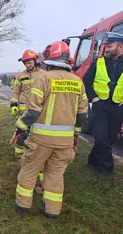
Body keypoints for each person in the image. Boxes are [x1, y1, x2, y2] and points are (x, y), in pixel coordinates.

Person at [13, 41, 88, 218]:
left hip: (41, 140)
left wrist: (19, 128)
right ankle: (51, 210)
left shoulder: (44, 79)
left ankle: (22, 205)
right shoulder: (78, 82)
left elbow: (32, 112)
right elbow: (83, 115)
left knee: (30, 169)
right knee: (55, 174)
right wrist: (75, 134)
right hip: (65, 142)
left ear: (49, 59)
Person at [83, 32, 123, 178]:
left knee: (109, 138)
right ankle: (106, 169)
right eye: (105, 46)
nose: (106, 49)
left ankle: (92, 159)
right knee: (100, 136)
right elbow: (87, 81)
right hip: (100, 106)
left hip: (118, 107)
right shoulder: (98, 62)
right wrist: (93, 98)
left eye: (110, 46)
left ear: (120, 46)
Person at [10, 50, 46, 158]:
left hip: (38, 110)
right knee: (21, 133)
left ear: (36, 60)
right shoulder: (20, 76)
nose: (27, 65)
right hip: (23, 110)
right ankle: (18, 155)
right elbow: (15, 92)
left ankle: (34, 156)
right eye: (25, 63)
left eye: (29, 62)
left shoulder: (44, 75)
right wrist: (13, 105)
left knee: (37, 134)